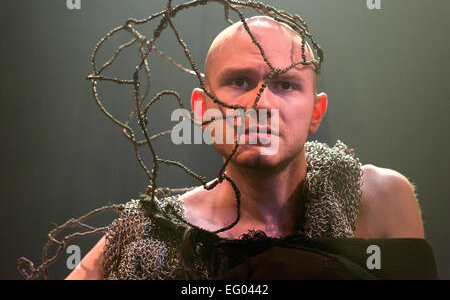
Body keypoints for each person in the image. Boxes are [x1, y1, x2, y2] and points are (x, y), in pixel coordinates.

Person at [65, 16, 436, 280]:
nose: (261, 104)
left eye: (286, 84)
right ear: (202, 109)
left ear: (315, 112)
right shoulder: (148, 237)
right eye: (240, 82)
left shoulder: (379, 199)